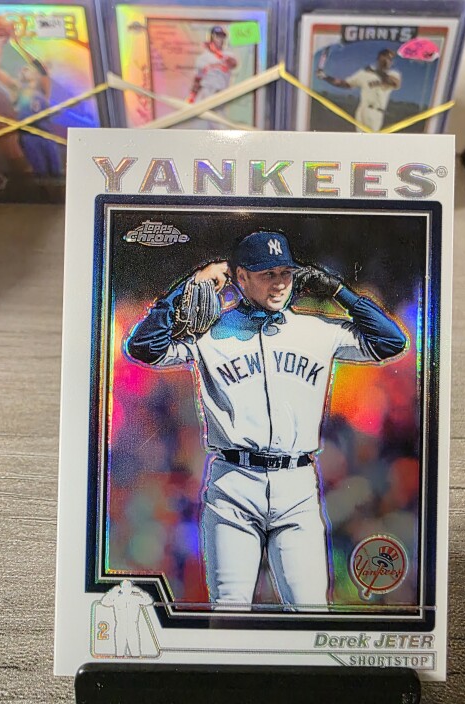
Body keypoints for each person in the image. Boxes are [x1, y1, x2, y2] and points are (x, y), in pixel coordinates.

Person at [127, 231, 407, 612]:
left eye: (285, 273)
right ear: (240, 277)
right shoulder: (211, 332)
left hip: (297, 486)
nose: (279, 283)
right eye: (267, 274)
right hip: (233, 485)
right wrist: (189, 286)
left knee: (310, 611)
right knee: (230, 613)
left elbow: (391, 342)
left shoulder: (315, 330)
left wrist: (339, 292)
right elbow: (143, 347)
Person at [0, 28, 61, 176]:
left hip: (47, 135)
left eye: (26, 68)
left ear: (35, 74)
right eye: (22, 69)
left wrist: (18, 45)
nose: (23, 70)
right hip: (29, 136)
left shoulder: (43, 89)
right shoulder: (16, 89)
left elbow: (40, 67)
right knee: (40, 174)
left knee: (56, 174)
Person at [318, 48, 401, 132]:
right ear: (380, 57)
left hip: (377, 112)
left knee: (372, 138)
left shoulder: (393, 74)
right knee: (359, 137)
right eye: (386, 57)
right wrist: (325, 77)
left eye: (390, 59)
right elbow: (345, 84)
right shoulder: (365, 73)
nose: (388, 61)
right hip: (362, 110)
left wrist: (375, 71)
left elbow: (395, 83)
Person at [187, 25, 238, 106]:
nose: (220, 39)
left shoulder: (228, 54)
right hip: (206, 93)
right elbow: (197, 80)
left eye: (222, 36)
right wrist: (191, 97)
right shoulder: (203, 57)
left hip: (221, 94)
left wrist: (217, 53)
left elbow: (233, 64)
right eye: (218, 36)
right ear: (211, 38)